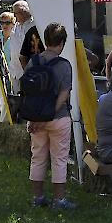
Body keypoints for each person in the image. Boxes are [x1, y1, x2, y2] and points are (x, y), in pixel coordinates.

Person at [26, 23, 74, 209]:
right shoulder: (64, 65)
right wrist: (50, 114)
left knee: (37, 157)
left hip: (36, 118)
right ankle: (59, 200)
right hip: (58, 117)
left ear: (45, 40)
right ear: (62, 42)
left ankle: (38, 198)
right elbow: (64, 94)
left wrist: (35, 117)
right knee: (59, 159)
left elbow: (28, 92)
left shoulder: (33, 62)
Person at [10, 0, 43, 93]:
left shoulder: (35, 25)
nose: (15, 16)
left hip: (29, 70)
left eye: (16, 13)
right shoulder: (16, 26)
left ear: (23, 12)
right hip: (15, 71)